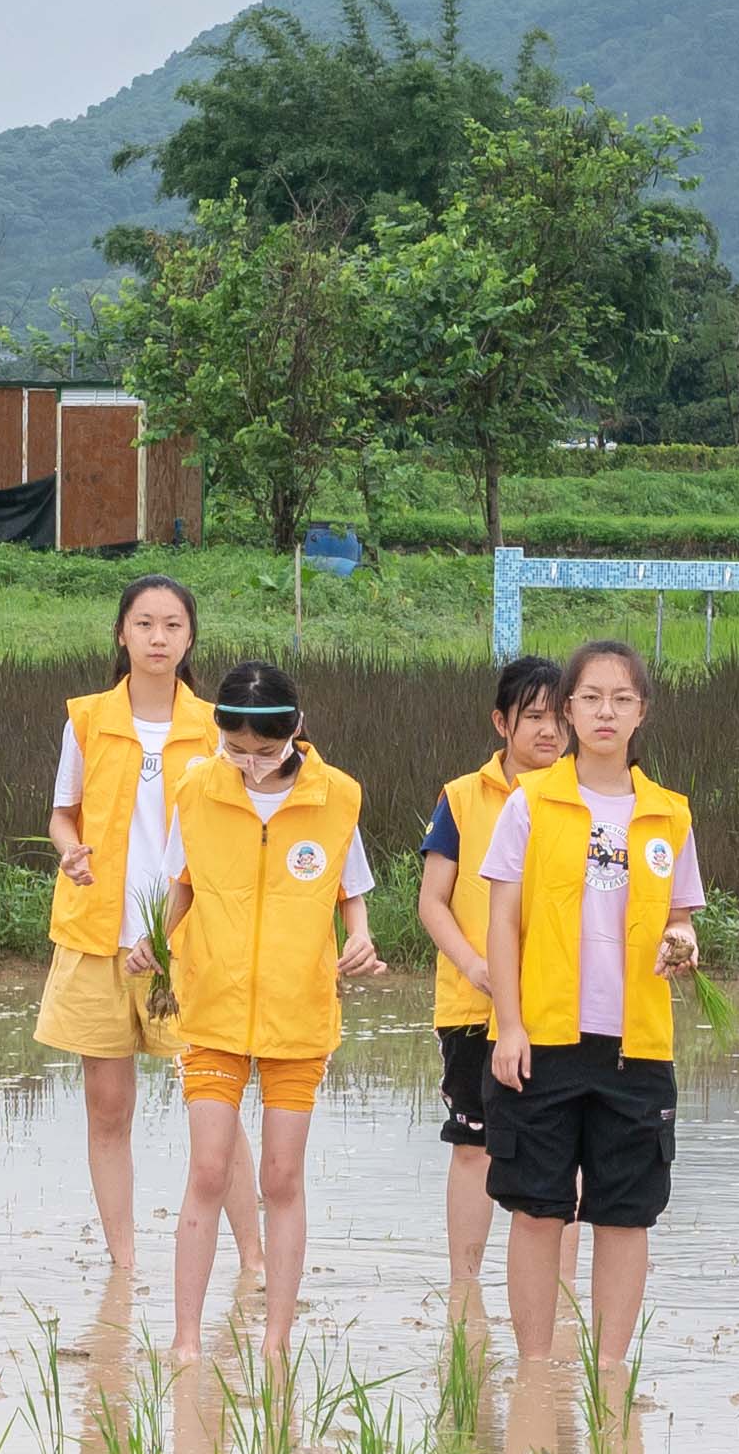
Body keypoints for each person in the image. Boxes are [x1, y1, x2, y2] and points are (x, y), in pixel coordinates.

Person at [130, 662, 381, 1361]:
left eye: (263, 753)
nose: (246, 764)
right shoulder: (197, 789)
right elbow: (180, 884)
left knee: (280, 1178)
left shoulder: (336, 798)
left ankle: (273, 1342)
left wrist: (359, 937)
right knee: (207, 1170)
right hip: (210, 1006)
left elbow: (349, 888)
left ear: (294, 732)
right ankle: (184, 1342)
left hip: (297, 1015)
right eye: (234, 749)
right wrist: (147, 942)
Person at [476, 641, 700, 1401]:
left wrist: (683, 943)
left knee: (625, 1214)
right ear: (567, 709)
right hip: (542, 1036)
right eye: (591, 698)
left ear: (642, 712)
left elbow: (681, 918)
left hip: (635, 1043)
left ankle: (609, 1377)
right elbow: (500, 924)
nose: (605, 712)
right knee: (537, 1209)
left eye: (621, 699)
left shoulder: (669, 814)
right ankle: (534, 1373)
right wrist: (507, 1026)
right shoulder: (529, 804)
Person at [37, 575, 249, 1297]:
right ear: (120, 634)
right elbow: (62, 813)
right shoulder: (88, 720)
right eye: (144, 624)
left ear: (190, 639)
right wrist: (69, 848)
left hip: (187, 943)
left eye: (172, 626)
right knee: (107, 1105)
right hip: (99, 933)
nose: (158, 638)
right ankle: (124, 1264)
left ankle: (253, 1261)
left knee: (216, 1099)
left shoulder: (219, 729)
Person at [417, 656, 575, 1307]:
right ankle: (464, 1291)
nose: (547, 730)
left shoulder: (582, 797)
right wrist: (476, 965)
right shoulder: (460, 797)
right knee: (472, 1147)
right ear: (500, 721)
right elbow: (432, 901)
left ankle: (559, 1296)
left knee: (563, 1155)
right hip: (470, 1005)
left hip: (557, 1006)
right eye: (533, 716)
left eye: (557, 716)